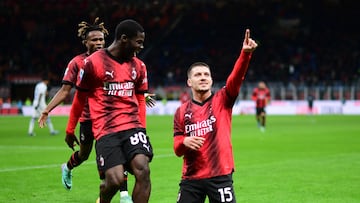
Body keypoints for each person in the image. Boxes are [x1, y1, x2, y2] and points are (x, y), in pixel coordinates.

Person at [37, 17, 134, 202]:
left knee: (113, 153)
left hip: (109, 117)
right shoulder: (77, 63)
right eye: (94, 40)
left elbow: (126, 82)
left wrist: (142, 96)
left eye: (101, 39)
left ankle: (123, 195)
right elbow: (65, 91)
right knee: (83, 154)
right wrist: (46, 110)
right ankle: (67, 167)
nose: (98, 43)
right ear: (85, 42)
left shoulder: (113, 59)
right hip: (87, 118)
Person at [66, 19, 153, 203]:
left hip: (132, 127)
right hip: (106, 130)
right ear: (124, 39)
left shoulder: (139, 66)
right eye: (138, 42)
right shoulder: (92, 63)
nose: (141, 46)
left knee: (143, 170)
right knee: (114, 181)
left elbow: (140, 98)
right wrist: (69, 129)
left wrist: (142, 128)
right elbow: (80, 97)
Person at [173, 29, 257, 203]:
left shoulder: (223, 100)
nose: (203, 78)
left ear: (211, 80)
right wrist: (183, 142)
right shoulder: (181, 112)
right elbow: (177, 149)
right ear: (189, 82)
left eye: (206, 75)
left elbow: (236, 78)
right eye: (198, 75)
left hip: (220, 175)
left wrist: (245, 54)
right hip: (191, 178)